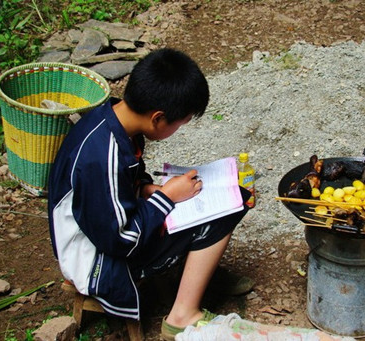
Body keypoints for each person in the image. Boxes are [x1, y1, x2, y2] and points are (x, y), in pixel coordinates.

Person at [47, 48, 253, 341]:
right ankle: (182, 316)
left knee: (234, 196)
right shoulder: (101, 156)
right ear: (158, 118)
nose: (178, 130)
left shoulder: (117, 120)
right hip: (96, 260)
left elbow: (119, 185)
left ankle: (198, 276)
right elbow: (120, 240)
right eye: (180, 123)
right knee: (224, 212)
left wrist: (144, 187)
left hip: (106, 231)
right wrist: (166, 198)